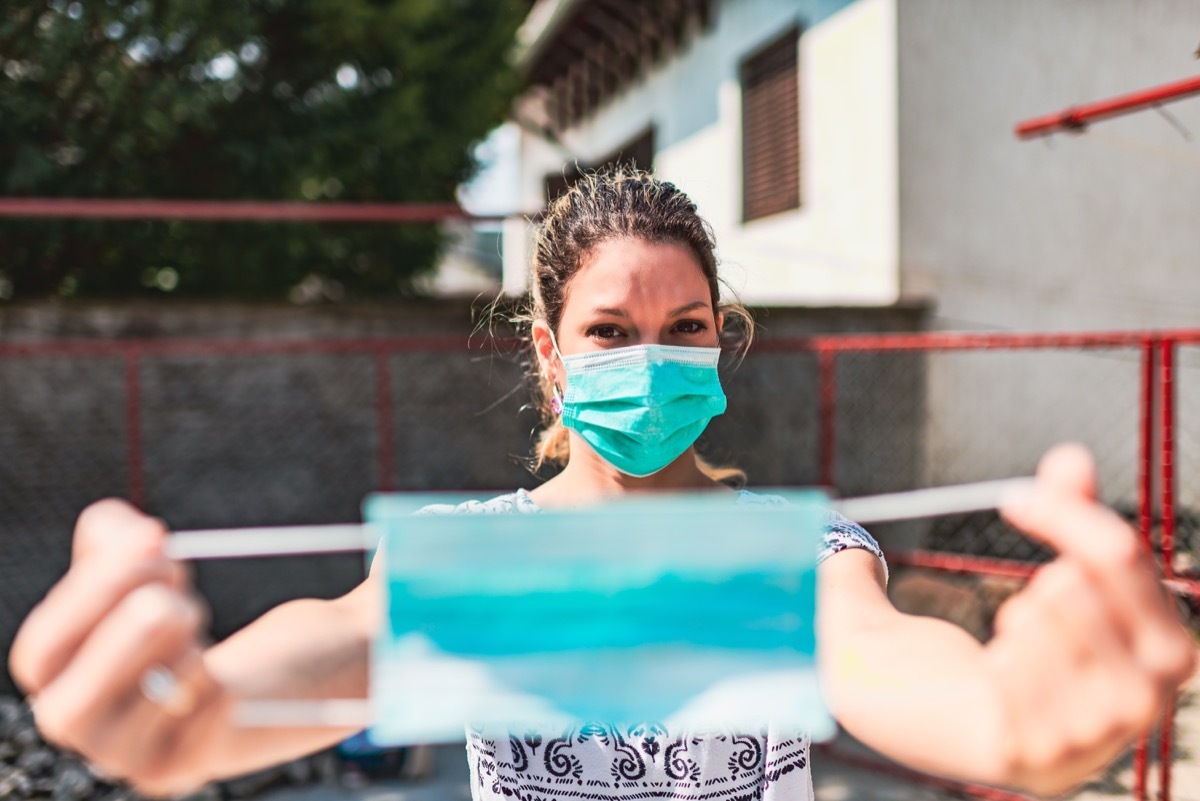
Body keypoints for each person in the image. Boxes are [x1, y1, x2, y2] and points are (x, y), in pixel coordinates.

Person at [9, 169, 1196, 800]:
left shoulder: (801, 550)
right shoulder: (473, 550)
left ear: (721, 340)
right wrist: (204, 712)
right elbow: (343, 638)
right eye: (609, 329)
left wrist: (999, 714)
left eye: (682, 327)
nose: (648, 360)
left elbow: (874, 656)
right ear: (547, 348)